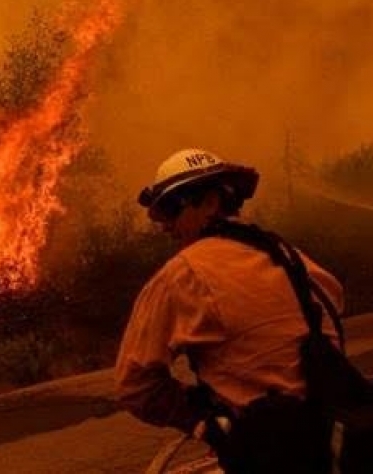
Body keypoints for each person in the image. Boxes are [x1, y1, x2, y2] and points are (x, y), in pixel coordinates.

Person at [114, 148, 345, 471]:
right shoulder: (286, 254)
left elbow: (135, 385)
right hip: (333, 439)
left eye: (171, 209)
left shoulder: (183, 274)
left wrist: (203, 420)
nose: (165, 226)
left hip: (268, 456)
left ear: (210, 201)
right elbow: (333, 297)